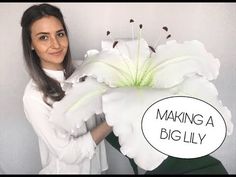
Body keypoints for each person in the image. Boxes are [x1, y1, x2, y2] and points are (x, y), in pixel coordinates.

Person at [21, 3, 112, 174]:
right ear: (31, 44)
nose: (56, 44)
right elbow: (70, 154)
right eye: (43, 37)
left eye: (60, 34)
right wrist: (113, 120)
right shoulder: (34, 97)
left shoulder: (85, 68)